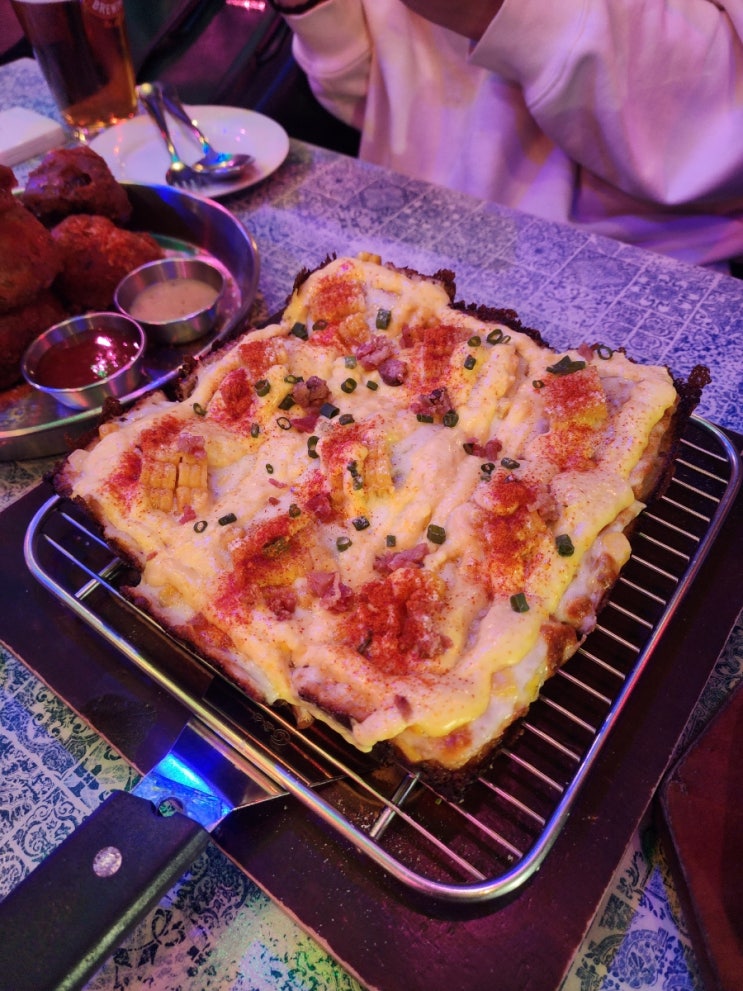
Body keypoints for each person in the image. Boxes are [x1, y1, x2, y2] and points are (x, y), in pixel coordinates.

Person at [266, 0, 743, 269]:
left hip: (628, 269)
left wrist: (503, 12)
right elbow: (383, 101)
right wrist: (317, 11)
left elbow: (720, 134)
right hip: (412, 236)